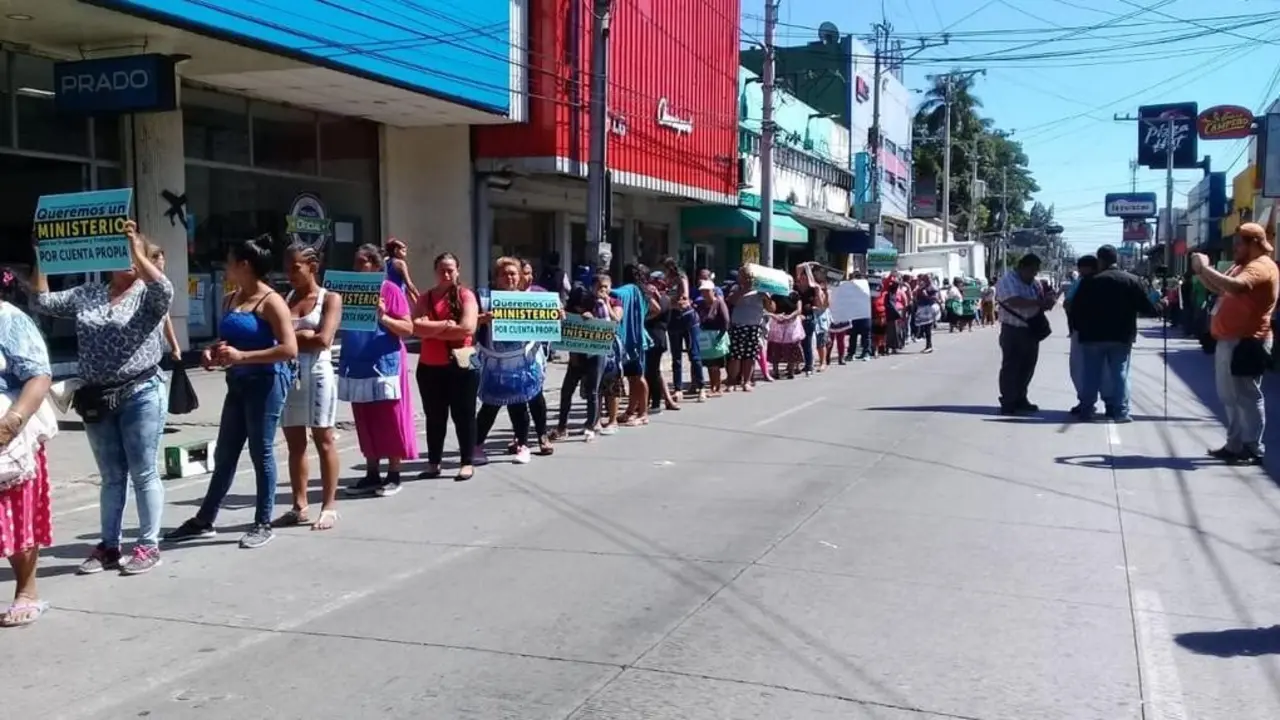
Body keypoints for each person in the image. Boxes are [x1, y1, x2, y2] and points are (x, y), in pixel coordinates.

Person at [32, 220, 172, 575]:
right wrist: (42, 255)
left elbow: (165, 290)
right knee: (111, 476)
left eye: (133, 255)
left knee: (143, 472)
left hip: (140, 392)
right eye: (121, 253)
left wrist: (137, 250)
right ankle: (109, 546)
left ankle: (148, 545)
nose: (127, 261)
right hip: (96, 398)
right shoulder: (89, 293)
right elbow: (44, 301)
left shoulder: (147, 294)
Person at [165, 236, 297, 550]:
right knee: (225, 454)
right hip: (237, 384)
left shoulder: (271, 302)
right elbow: (227, 341)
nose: (225, 267)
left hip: (266, 384)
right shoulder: (230, 299)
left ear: (244, 265)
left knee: (261, 452)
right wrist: (213, 353)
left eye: (229, 261)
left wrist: (242, 357)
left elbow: (289, 349)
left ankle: (263, 521)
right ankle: (204, 519)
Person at [1191, 223, 1279, 464]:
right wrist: (1202, 272)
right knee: (1230, 396)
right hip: (1231, 339)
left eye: (1239, 243)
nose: (1235, 247)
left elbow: (1236, 287)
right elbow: (1219, 287)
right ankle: (1235, 444)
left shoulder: (1260, 266)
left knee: (1246, 395)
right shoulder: (1241, 265)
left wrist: (1205, 267)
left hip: (1247, 340)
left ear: (1254, 243)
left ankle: (1252, 447)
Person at [338, 245, 418, 493]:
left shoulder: (390, 290)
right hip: (358, 361)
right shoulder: (348, 291)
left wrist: (383, 317)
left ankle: (394, 473)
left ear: (374, 264)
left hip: (385, 362)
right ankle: (371, 472)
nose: (356, 267)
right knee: (365, 417)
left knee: (390, 417)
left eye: (361, 262)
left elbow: (408, 329)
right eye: (355, 262)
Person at [0, 270, 54, 626]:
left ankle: (27, 590)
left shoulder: (9, 319)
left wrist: (10, 424)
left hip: (7, 435)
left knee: (14, 516)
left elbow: (39, 375)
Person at [275, 243, 342, 530]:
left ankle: (328, 506)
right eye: (287, 268)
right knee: (294, 443)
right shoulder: (284, 299)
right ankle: (299, 505)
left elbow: (324, 339)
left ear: (312, 267)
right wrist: (302, 335)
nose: (290, 274)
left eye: (296, 268)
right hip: (288, 373)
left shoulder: (329, 299)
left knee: (323, 438)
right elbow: (275, 337)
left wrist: (295, 337)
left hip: (317, 372)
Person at [1069, 245, 1163, 422]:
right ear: (1116, 259)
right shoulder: (1131, 280)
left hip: (1092, 336)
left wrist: (1078, 328)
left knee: (1091, 373)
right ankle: (1121, 412)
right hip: (1121, 336)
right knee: (1120, 373)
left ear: (1100, 260)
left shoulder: (1089, 281)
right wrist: (1160, 307)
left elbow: (1076, 308)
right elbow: (1146, 307)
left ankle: (1086, 410)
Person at [475, 256, 555, 463]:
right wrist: (482, 319)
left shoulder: (533, 300)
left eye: (513, 274)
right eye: (504, 274)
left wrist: (557, 317)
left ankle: (523, 445)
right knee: (489, 407)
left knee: (520, 405)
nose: (509, 278)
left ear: (519, 277)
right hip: (494, 363)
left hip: (523, 362)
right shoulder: (483, 298)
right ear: (496, 277)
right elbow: (466, 323)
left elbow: (549, 326)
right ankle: (476, 446)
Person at [413, 251, 479, 481]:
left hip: (461, 365)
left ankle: (467, 462)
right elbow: (415, 328)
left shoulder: (465, 295)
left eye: (450, 269)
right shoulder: (425, 298)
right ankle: (434, 463)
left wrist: (431, 329)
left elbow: (467, 328)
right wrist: (445, 325)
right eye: (442, 270)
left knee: (464, 416)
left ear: (458, 271)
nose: (446, 274)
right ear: (435, 272)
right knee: (434, 417)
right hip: (429, 367)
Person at [551, 273, 620, 441]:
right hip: (578, 354)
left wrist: (597, 313)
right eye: (599, 287)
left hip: (597, 354)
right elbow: (568, 329)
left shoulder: (607, 303)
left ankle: (590, 426)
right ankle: (561, 426)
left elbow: (613, 323)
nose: (602, 290)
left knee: (593, 391)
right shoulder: (577, 305)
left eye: (605, 287)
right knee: (567, 390)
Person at [995, 254, 1055, 415]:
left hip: (1031, 330)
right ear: (1021, 267)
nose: (1033, 274)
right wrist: (1038, 302)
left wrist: (1048, 301)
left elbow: (1041, 300)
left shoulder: (1034, 283)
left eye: (1036, 271)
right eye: (1031, 271)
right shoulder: (1008, 281)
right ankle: (1008, 401)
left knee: (1028, 367)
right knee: (1011, 367)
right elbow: (1013, 301)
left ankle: (1021, 398)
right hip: (1013, 329)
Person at [613, 263, 656, 424]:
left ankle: (643, 413)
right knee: (633, 377)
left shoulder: (629, 290)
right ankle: (630, 410)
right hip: (637, 337)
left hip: (632, 339)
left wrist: (601, 289)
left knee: (638, 376)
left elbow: (615, 293)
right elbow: (656, 309)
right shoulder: (642, 292)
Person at [662, 257, 705, 402]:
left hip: (687, 319)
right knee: (676, 357)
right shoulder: (665, 282)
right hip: (673, 319)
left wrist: (668, 302)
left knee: (694, 354)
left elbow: (684, 300)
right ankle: (678, 388)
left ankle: (701, 387)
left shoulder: (681, 278)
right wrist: (670, 302)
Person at [695, 279, 731, 395]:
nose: (704, 294)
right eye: (703, 291)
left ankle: (717, 387)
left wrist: (720, 336)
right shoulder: (701, 304)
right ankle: (712, 386)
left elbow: (726, 321)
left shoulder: (719, 302)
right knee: (709, 364)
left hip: (717, 335)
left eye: (707, 291)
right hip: (705, 336)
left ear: (713, 291)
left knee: (715, 364)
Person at [384, 237, 420, 305]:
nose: (405, 252)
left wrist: (415, 300)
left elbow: (405, 287)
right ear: (396, 250)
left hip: (387, 297)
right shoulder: (400, 263)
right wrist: (420, 298)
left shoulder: (385, 262)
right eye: (403, 250)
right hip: (398, 297)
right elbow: (409, 284)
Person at [913, 276, 939, 353]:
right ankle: (928, 345)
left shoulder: (932, 287)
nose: (925, 281)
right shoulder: (921, 287)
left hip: (928, 308)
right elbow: (916, 296)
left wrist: (926, 295)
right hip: (922, 308)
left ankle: (929, 346)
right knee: (925, 327)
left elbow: (935, 298)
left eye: (927, 279)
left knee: (927, 328)